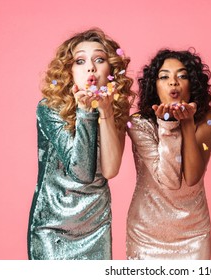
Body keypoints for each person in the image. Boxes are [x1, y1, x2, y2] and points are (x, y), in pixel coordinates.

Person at [27, 28, 134, 260]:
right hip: (53, 226)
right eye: (80, 61)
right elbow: (82, 173)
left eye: (99, 59)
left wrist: (105, 112)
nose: (91, 68)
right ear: (69, 71)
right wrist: (85, 112)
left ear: (112, 70)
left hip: (96, 224)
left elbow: (110, 170)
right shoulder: (50, 108)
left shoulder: (116, 110)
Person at [126, 49, 211, 259]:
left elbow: (193, 176)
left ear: (193, 84)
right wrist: (167, 126)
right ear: (154, 85)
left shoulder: (208, 118)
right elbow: (170, 180)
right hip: (146, 233)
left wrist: (186, 123)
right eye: (164, 76)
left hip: (193, 233)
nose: (173, 82)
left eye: (182, 76)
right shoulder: (137, 123)